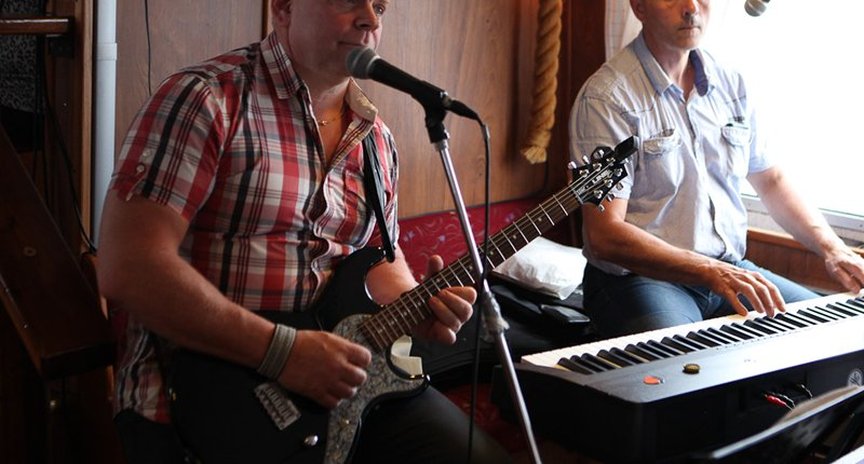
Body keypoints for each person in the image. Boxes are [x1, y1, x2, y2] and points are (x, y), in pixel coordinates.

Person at [96, 0, 512, 463]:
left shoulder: (376, 139)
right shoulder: (207, 99)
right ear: (283, 7)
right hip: (206, 398)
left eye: (379, 6)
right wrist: (282, 353)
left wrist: (415, 304)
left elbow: (378, 256)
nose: (370, 19)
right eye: (349, 1)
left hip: (346, 387)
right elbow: (129, 267)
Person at [569, 0, 864, 339]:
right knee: (687, 362)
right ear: (639, 7)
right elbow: (604, 234)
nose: (691, 7)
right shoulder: (606, 98)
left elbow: (770, 180)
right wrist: (709, 270)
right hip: (641, 279)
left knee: (836, 334)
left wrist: (833, 249)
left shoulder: (731, 84)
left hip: (727, 270)